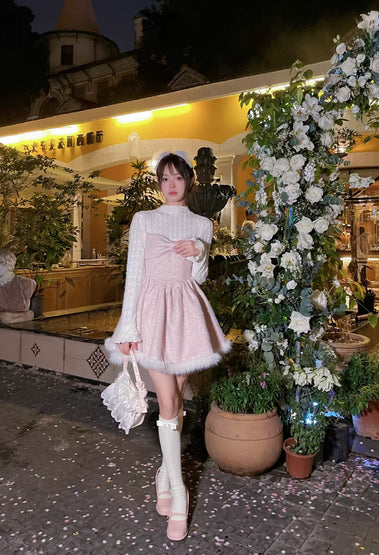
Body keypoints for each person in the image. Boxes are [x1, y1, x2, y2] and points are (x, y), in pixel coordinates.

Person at [105, 151, 231, 542]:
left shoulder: (202, 224)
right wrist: (127, 326)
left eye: (177, 177)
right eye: (164, 178)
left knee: (175, 400)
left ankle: (164, 471)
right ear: (159, 183)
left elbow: (199, 277)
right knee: (168, 402)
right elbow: (134, 275)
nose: (171, 185)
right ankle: (179, 492)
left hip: (186, 315)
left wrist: (200, 252)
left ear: (189, 181)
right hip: (152, 314)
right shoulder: (144, 220)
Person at [0, 249, 36, 323]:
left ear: (8, 265)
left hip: (20, 324)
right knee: (4, 317)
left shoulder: (25, 284)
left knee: (5, 318)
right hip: (5, 321)